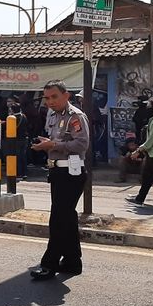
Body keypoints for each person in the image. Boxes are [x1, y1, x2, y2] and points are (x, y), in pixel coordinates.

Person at [29, 80, 90, 280]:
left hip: (71, 174)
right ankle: (73, 262)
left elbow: (81, 144)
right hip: (57, 172)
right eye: (47, 98)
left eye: (54, 97)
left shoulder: (76, 116)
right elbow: (56, 141)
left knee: (58, 220)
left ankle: (49, 264)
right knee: (67, 218)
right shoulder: (53, 116)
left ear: (66, 96)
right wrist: (46, 144)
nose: (50, 101)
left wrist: (52, 145)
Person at [11, 102, 29, 179]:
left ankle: (19, 173)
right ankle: (24, 173)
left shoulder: (13, 118)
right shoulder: (24, 116)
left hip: (17, 139)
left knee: (17, 157)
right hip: (25, 139)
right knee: (23, 156)